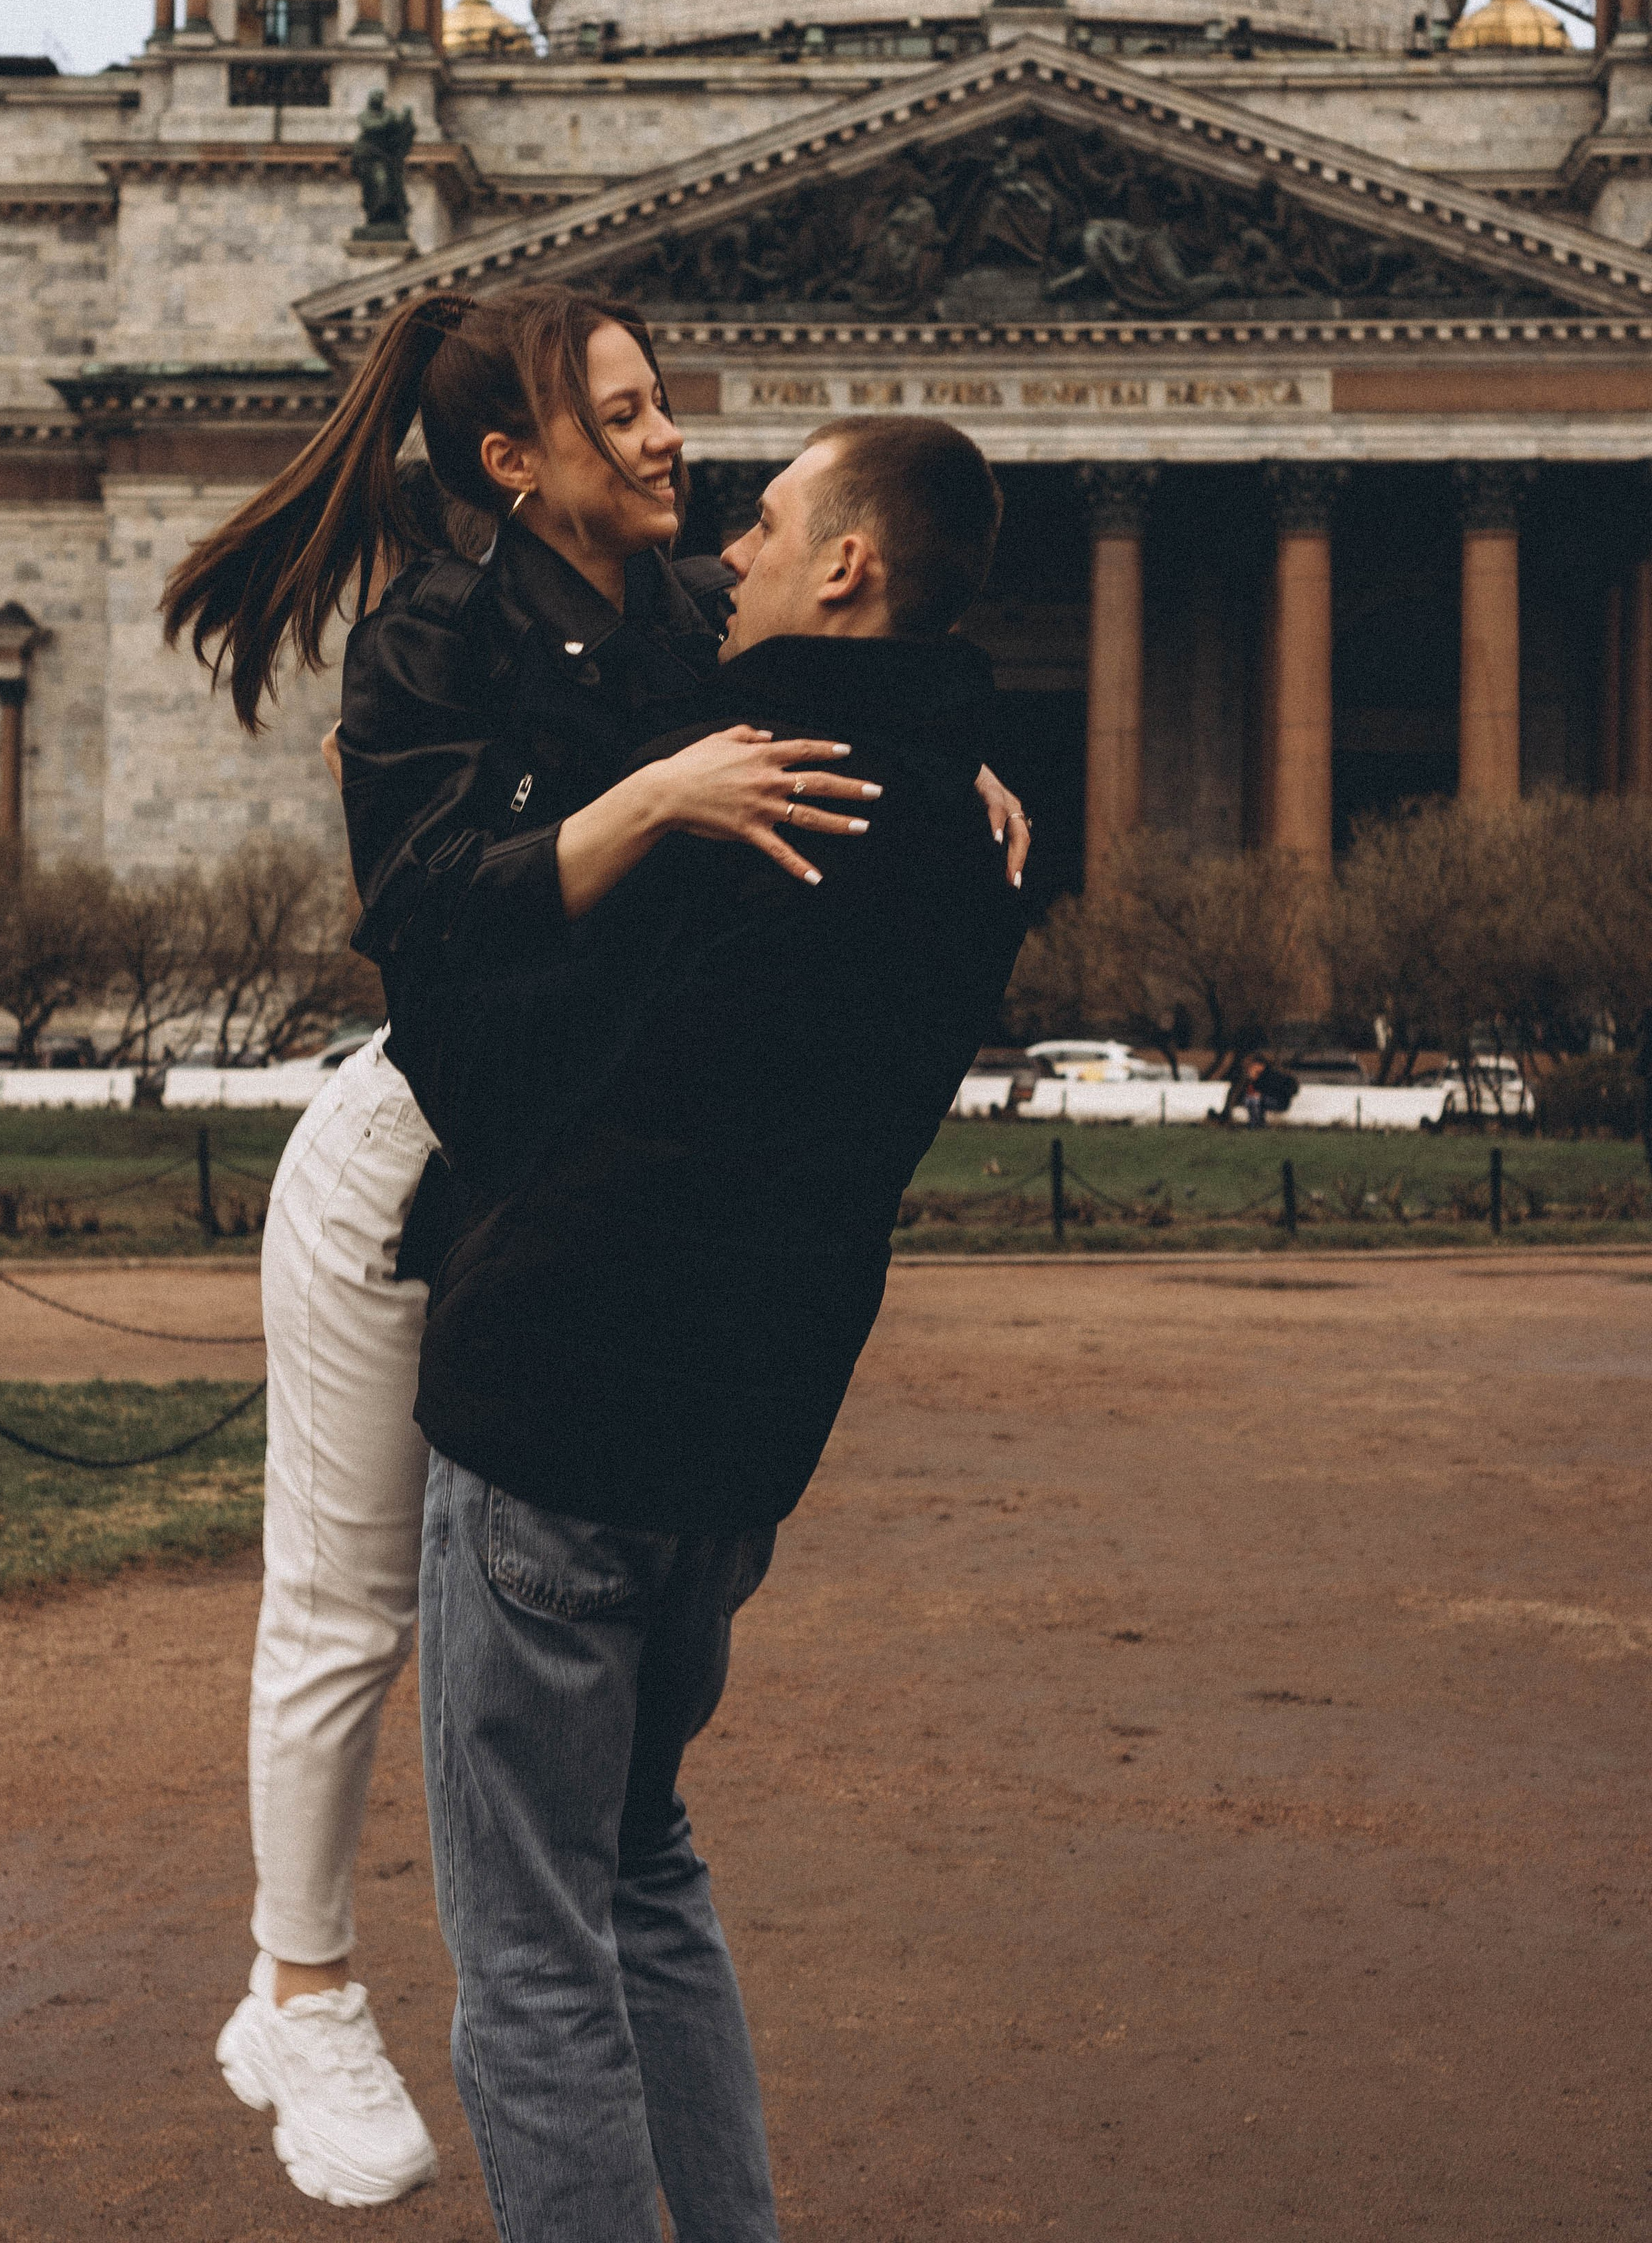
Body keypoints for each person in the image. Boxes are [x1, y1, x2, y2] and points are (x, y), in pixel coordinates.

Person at [160, 295, 1032, 2209]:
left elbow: (824, 709)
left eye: (675, 419)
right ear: (514, 464)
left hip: (560, 1305)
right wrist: (669, 798)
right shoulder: (437, 643)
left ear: (836, 571)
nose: (682, 458)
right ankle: (299, 1983)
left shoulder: (682, 629)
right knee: (343, 1604)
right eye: (628, 415)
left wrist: (938, 747)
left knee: (578, 1893)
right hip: (413, 1157)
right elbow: (432, 932)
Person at [398, 417, 1029, 2241]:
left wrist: (612, 815)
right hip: (736, 1454)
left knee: (527, 1953)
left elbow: (472, 1020)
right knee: (644, 1867)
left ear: (844, 567)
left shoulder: (727, 798)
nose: (722, 555)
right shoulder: (976, 840)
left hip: (555, 1416)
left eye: (762, 527)